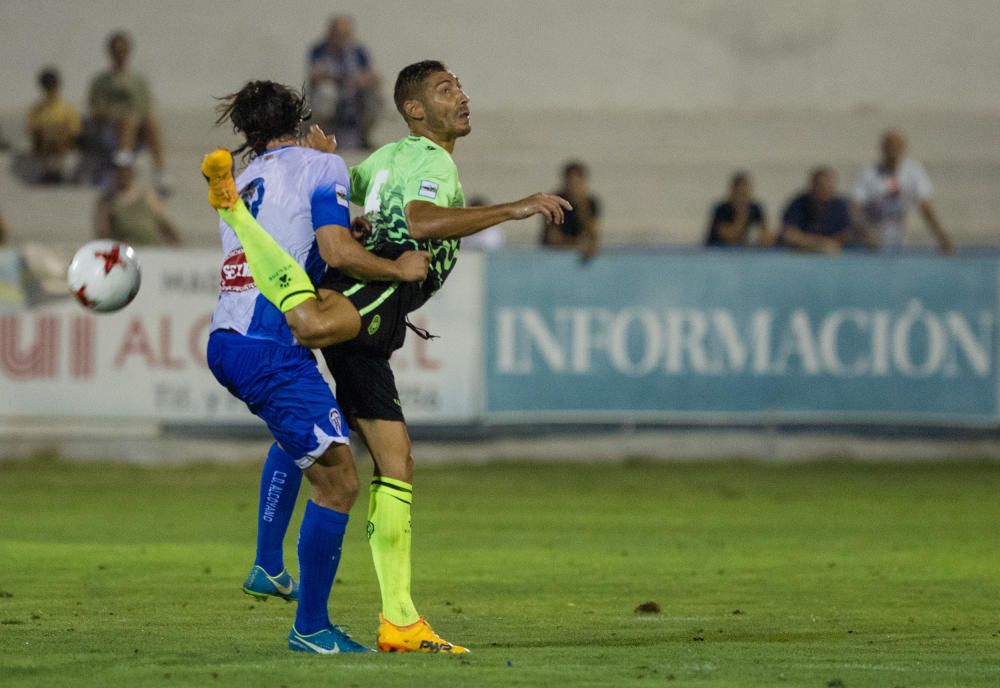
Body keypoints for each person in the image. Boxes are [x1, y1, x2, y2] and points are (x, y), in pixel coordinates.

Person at [209, 60, 570, 653]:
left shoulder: (384, 159)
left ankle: (396, 619)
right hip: (379, 289)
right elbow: (420, 222)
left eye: (461, 87)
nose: (464, 97)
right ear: (415, 110)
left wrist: (324, 160)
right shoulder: (429, 162)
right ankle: (317, 607)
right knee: (313, 331)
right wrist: (513, 207)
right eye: (446, 90)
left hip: (383, 310)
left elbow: (341, 199)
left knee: (390, 459)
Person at [203, 80, 430, 655]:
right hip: (271, 344)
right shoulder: (319, 166)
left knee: (312, 434)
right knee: (340, 481)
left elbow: (290, 245)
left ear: (247, 131)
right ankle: (312, 628)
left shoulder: (245, 182)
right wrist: (398, 268)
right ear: (301, 117)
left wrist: (338, 219)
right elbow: (332, 253)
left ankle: (267, 564)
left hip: (231, 336)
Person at [86, 31, 171, 193]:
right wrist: (113, 113)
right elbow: (95, 109)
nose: (120, 55)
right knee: (128, 120)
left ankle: (160, 171)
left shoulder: (137, 81)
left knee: (147, 120)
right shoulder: (101, 81)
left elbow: (146, 105)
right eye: (116, 51)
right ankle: (123, 169)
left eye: (123, 51)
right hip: (111, 128)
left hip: (137, 126)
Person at [851, 129, 954, 255]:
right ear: (882, 148)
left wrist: (941, 236)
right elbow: (855, 206)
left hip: (898, 241)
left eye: (897, 145)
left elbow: (925, 206)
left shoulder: (914, 172)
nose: (893, 149)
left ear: (904, 147)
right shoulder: (869, 173)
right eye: (889, 145)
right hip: (870, 243)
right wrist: (865, 231)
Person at [307, 15, 382, 150]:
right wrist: (335, 78)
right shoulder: (319, 50)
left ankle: (364, 136)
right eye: (338, 34)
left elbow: (372, 73)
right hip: (333, 91)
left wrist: (362, 80)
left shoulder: (358, 51)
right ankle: (324, 136)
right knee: (326, 92)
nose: (341, 38)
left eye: (345, 34)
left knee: (375, 96)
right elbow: (315, 73)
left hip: (354, 90)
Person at [778, 167, 873, 254]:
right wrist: (820, 243)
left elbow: (847, 235)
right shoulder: (798, 204)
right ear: (812, 186)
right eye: (820, 185)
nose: (824, 189)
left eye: (828, 185)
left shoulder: (841, 206)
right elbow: (789, 234)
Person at [94, 153, 180, 245]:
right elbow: (102, 233)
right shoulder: (106, 201)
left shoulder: (148, 196)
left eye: (126, 170)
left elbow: (165, 224)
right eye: (119, 171)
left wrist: (176, 243)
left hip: (151, 249)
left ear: (133, 172)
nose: (122, 174)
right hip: (125, 249)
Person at [27, 67, 81, 183]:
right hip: (43, 145)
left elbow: (74, 132)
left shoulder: (67, 109)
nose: (50, 88)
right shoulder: (36, 110)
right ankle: (50, 170)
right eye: (47, 85)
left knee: (59, 130)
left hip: (63, 144)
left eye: (52, 84)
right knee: (47, 132)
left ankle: (56, 170)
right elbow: (34, 132)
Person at [540, 160, 600, 260]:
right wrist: (578, 244)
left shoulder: (590, 203)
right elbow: (552, 238)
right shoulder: (555, 202)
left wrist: (582, 207)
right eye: (571, 182)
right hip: (553, 256)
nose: (573, 187)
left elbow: (594, 235)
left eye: (577, 182)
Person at [705, 171, 774, 247]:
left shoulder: (756, 209)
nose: (743, 198)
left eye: (745, 193)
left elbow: (766, 234)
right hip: (719, 253)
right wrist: (741, 215)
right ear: (732, 192)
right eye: (740, 194)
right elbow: (730, 237)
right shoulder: (721, 210)